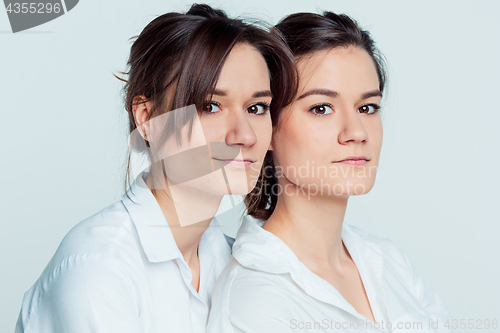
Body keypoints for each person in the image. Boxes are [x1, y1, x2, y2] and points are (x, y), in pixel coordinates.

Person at [15, 4, 296, 333]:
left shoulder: (238, 260)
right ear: (147, 119)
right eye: (211, 106)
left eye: (257, 107)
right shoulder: (101, 270)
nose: (245, 135)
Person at [208, 11, 452, 333]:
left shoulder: (388, 260)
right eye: (321, 108)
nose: (356, 132)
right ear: (266, 125)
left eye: (367, 107)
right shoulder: (254, 301)